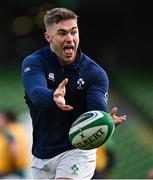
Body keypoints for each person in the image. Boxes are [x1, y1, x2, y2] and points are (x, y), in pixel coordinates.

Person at [21, 7, 126, 179]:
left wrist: (104, 119)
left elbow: (96, 109)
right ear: (49, 37)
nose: (69, 38)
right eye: (62, 33)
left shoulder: (95, 73)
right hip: (41, 154)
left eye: (73, 32)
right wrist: (53, 96)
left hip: (77, 150)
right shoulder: (34, 62)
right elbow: (35, 93)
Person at [0, 110, 29, 179]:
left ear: (6, 120)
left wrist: (11, 168)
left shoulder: (8, 131)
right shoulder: (18, 128)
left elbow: (14, 149)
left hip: (10, 171)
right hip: (20, 169)